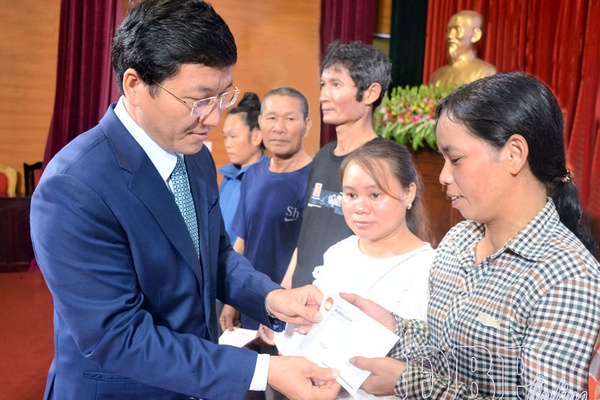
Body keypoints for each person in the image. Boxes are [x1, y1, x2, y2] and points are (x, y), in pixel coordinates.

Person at [29, 1, 341, 399]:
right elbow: (117, 337)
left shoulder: (194, 155)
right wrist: (263, 370)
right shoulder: (74, 187)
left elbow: (214, 255)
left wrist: (271, 297)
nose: (213, 118)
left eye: (222, 96)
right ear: (135, 85)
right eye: (198, 100)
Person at [341, 72, 600, 399]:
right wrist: (392, 326)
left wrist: (413, 383)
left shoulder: (568, 278)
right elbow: (445, 349)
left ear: (514, 153)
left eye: (456, 159)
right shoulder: (458, 241)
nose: (443, 176)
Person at [312, 139, 435, 399]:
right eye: (351, 195)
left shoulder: (430, 268)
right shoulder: (337, 253)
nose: (360, 207)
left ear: (409, 193)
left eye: (375, 195)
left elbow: (439, 359)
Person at [286, 40, 392, 290]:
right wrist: (285, 289)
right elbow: (307, 236)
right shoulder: (322, 157)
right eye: (323, 84)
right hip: (301, 297)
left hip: (342, 301)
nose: (323, 96)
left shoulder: (383, 162)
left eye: (336, 84)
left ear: (371, 93)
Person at [220, 86, 313, 333]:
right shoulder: (251, 175)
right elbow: (241, 241)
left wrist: (281, 303)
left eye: (289, 119)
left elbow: (307, 250)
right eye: (271, 118)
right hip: (251, 303)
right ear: (261, 123)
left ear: (307, 125)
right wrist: (232, 302)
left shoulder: (316, 179)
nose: (279, 127)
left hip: (291, 310)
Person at [219, 91, 265, 244]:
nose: (227, 143)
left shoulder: (266, 180)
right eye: (225, 137)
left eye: (233, 136)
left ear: (257, 136)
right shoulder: (227, 176)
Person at [429, 10, 497, 87]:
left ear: (475, 35)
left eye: (457, 30)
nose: (450, 36)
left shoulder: (485, 72)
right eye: (448, 30)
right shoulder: (437, 75)